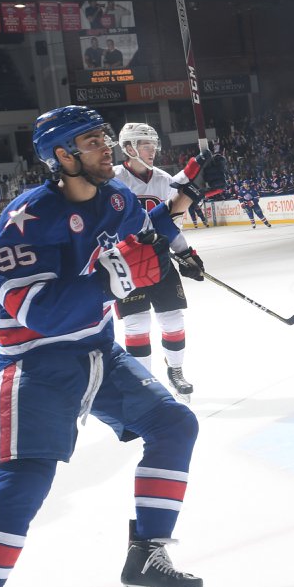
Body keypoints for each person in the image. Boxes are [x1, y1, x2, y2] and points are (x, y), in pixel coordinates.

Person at [0, 105, 207, 587]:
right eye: (92, 141)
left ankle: (146, 558)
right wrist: (113, 278)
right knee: (26, 475)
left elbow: (146, 221)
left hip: (98, 353)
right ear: (61, 156)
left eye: (105, 137)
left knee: (174, 426)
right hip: (34, 362)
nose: (108, 148)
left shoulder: (112, 198)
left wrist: (180, 221)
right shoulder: (28, 218)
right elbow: (29, 309)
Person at [111, 122, 201, 401]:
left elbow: (171, 223)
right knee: (137, 324)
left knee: (173, 319)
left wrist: (185, 253)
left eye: (153, 145)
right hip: (124, 265)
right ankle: (145, 382)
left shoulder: (164, 180)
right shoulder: (112, 180)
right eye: (145, 145)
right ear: (129, 148)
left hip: (159, 260)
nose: (153, 150)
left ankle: (175, 371)